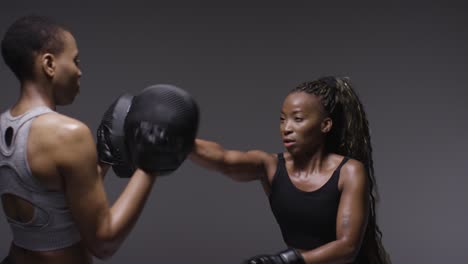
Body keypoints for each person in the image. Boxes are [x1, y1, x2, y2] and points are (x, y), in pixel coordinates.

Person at [0, 15, 160, 264]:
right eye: (75, 61)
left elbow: (55, 205)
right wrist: (149, 165)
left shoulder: (3, 125)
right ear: (49, 64)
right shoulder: (68, 133)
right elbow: (103, 243)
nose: (80, 71)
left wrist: (103, 161)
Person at [190, 76, 391, 263]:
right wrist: (182, 141)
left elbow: (347, 246)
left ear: (325, 125)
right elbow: (223, 159)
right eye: (282, 119)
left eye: (298, 119)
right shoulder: (269, 165)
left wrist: (285, 260)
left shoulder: (349, 172)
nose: (286, 128)